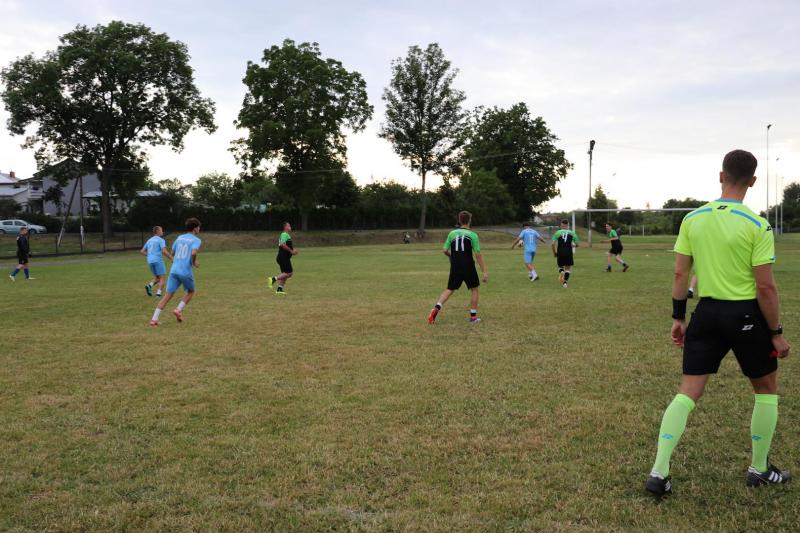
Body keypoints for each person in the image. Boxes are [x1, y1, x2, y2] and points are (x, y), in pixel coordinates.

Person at [645, 149, 791, 497]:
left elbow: (681, 274)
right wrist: (776, 333)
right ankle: (759, 469)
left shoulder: (693, 219)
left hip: (706, 313)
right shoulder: (757, 224)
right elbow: (766, 287)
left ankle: (659, 472)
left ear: (721, 176)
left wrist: (678, 317)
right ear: (753, 181)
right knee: (766, 391)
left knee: (687, 393)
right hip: (746, 316)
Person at [427, 211, 488, 324]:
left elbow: (444, 250)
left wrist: (451, 256)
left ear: (459, 221)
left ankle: (436, 308)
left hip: (455, 266)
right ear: (469, 221)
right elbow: (478, 254)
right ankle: (473, 317)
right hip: (468, 265)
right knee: (474, 289)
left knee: (450, 289)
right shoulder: (473, 235)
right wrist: (484, 271)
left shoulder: (452, 233)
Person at [150, 218, 202, 327]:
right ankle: (178, 310)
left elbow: (173, 252)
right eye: (198, 227)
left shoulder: (179, 237)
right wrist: (194, 262)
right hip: (185, 271)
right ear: (195, 228)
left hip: (174, 270)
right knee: (191, 291)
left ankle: (154, 320)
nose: (199, 229)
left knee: (167, 295)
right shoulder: (196, 240)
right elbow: (193, 253)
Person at [141, 226, 173, 297]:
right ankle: (158, 294)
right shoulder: (161, 240)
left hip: (150, 261)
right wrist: (171, 258)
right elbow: (164, 251)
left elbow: (142, 251)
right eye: (161, 230)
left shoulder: (149, 240)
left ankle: (149, 286)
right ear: (158, 231)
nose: (162, 232)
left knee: (157, 278)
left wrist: (150, 255)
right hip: (158, 260)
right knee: (162, 278)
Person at [268, 222, 298, 294]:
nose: (290, 226)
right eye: (289, 225)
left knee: (285, 273)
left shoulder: (285, 235)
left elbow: (284, 245)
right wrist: (291, 251)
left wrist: (292, 251)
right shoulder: (284, 234)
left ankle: (279, 289)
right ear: (285, 227)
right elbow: (282, 244)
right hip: (283, 257)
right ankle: (273, 279)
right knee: (289, 273)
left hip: (283, 257)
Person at [550, 219, 579, 288]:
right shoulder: (572, 233)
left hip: (560, 252)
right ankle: (565, 283)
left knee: (560, 266)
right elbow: (577, 244)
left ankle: (561, 271)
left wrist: (554, 253)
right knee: (568, 268)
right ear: (568, 225)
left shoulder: (558, 232)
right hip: (569, 252)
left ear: (561, 225)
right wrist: (573, 245)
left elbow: (553, 244)